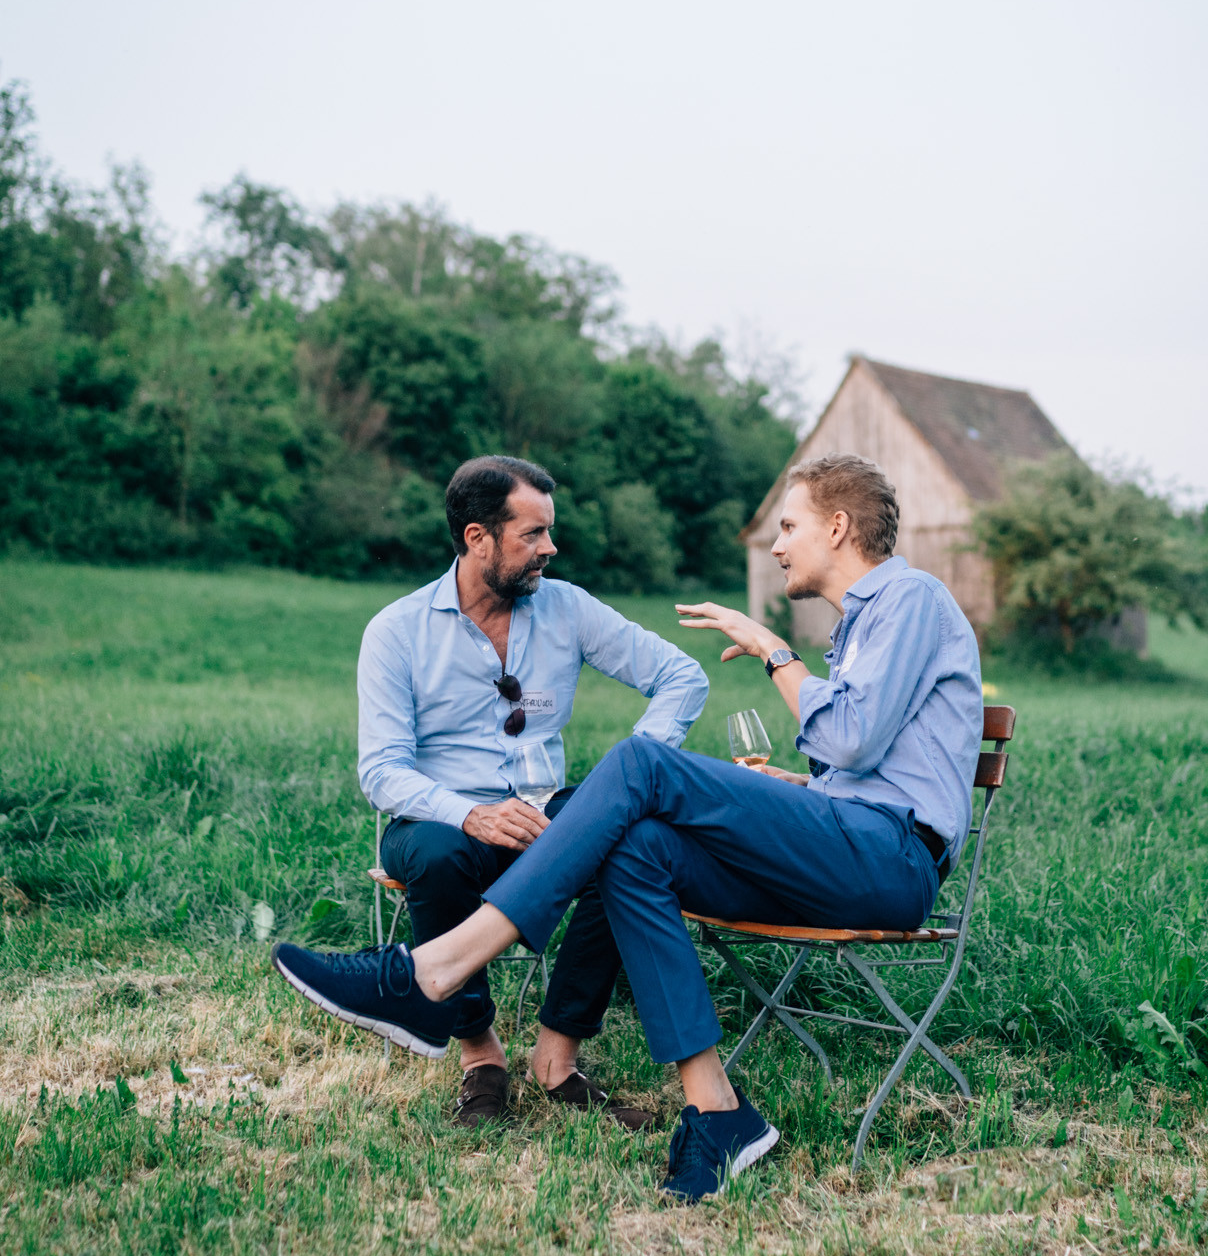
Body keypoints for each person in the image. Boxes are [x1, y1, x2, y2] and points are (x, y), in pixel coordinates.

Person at [273, 453, 983, 1198]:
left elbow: (851, 740)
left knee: (641, 767)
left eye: (787, 526)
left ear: (837, 528)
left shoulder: (910, 597)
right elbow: (864, 767)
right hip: (845, 848)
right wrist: (801, 787)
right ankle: (718, 1112)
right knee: (636, 847)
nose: (775, 545)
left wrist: (774, 651)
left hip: (888, 861)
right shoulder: (864, 624)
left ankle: (430, 972)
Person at [276, 453, 709, 1126]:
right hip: (441, 818)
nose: (550, 548)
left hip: (544, 811)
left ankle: (557, 1055)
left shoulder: (567, 607)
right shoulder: (397, 630)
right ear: (478, 538)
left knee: (631, 839)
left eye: (549, 531)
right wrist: (470, 814)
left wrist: (631, 770)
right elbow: (382, 771)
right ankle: (480, 1056)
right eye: (533, 534)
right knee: (439, 855)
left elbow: (682, 677)